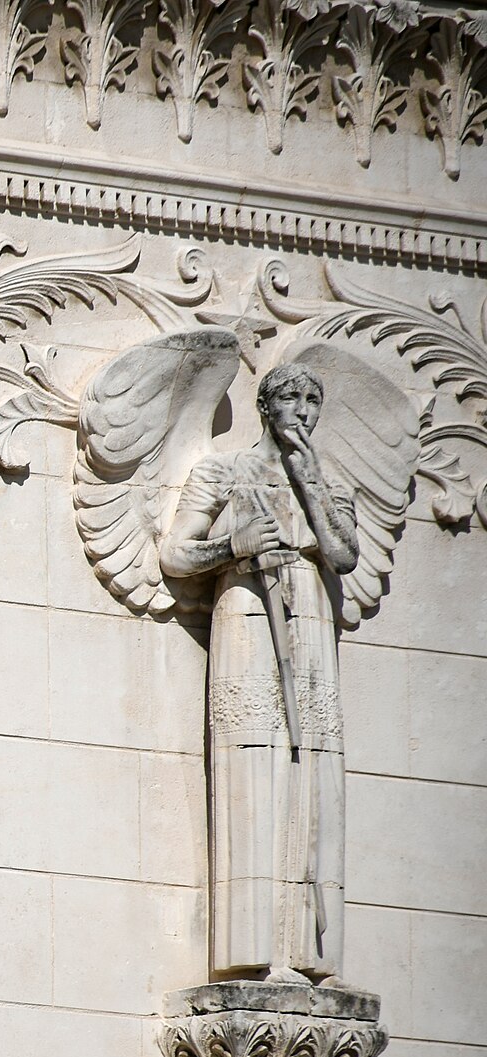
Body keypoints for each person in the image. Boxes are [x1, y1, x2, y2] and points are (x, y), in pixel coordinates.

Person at [159, 364, 359, 983]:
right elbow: (175, 552)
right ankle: (247, 944)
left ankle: (306, 947)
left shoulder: (325, 482)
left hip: (311, 614)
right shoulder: (225, 471)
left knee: (313, 759)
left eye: (312, 401)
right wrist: (233, 545)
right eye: (291, 399)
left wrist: (311, 479)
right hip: (247, 606)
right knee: (252, 752)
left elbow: (344, 553)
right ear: (266, 407)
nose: (303, 411)